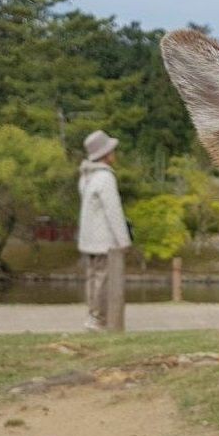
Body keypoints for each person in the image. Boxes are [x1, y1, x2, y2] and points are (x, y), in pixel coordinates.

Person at [77, 130, 130, 331]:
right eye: (112, 151)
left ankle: (92, 316)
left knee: (92, 280)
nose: (115, 154)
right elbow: (113, 211)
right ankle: (98, 319)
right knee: (102, 281)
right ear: (105, 154)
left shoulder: (86, 177)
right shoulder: (105, 178)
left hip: (88, 239)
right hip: (104, 241)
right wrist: (123, 241)